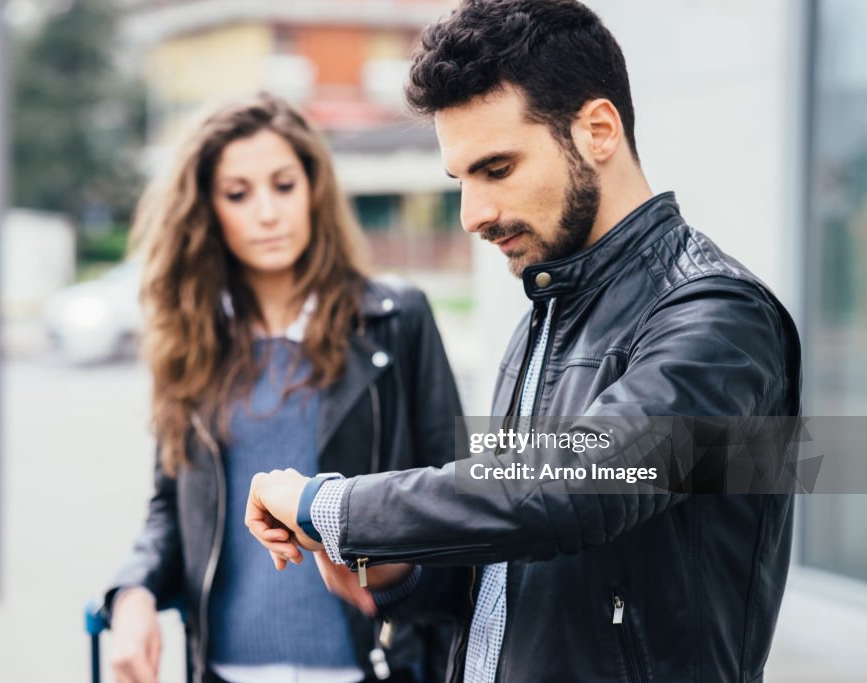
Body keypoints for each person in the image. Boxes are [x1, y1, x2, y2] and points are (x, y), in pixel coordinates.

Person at [244, 1, 803, 682]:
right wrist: (400, 573)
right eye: (462, 180)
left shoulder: (718, 317)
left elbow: (572, 488)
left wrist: (331, 504)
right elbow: (520, 576)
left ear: (598, 130)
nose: (473, 215)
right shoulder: (544, 316)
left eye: (497, 168)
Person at [103, 92, 462, 683]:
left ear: (314, 190)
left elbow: (452, 503)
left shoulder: (397, 320)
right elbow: (172, 505)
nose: (267, 212)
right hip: (224, 668)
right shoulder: (190, 339)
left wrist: (392, 575)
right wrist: (133, 592)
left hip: (373, 663)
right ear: (207, 210)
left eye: (284, 185)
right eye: (238, 194)